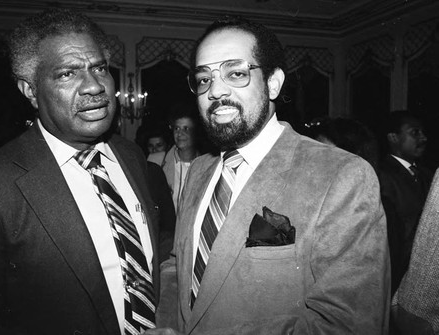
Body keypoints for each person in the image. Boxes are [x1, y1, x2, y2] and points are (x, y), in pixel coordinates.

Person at [148, 16, 390, 335]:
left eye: (236, 73)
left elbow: (349, 324)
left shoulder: (342, 176)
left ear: (273, 83)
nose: (215, 90)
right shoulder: (200, 170)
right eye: (204, 79)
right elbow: (176, 268)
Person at [0, 9, 161, 335]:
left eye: (99, 68)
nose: (93, 86)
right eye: (67, 74)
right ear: (29, 90)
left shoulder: (130, 156)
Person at [378, 110, 432, 295]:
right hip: (398, 277)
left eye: (423, 132)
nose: (423, 138)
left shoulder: (427, 175)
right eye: (415, 133)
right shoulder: (382, 175)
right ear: (394, 137)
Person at [391, 168, 439, 335]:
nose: (423, 139)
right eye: (414, 137)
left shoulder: (423, 174)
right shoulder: (386, 176)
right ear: (393, 139)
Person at [148, 104, 201, 211]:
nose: (180, 133)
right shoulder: (157, 161)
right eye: (177, 128)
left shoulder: (207, 165)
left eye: (186, 129)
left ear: (195, 132)